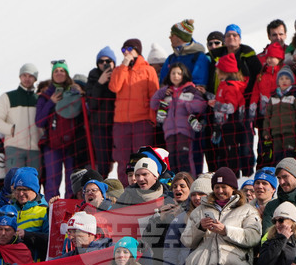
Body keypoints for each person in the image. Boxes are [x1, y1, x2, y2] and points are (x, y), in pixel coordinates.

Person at [109, 39, 160, 183]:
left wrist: (152, 120)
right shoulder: (120, 70)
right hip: (121, 122)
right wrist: (124, 65)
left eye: (129, 48)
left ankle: (144, 189)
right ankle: (125, 191)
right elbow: (114, 87)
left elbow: (154, 95)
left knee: (142, 158)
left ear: (138, 50)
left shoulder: (148, 70)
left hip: (142, 121)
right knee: (123, 158)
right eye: (123, 50)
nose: (126, 52)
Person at [36, 60, 86, 198]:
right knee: (52, 180)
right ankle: (52, 211)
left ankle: (71, 210)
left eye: (62, 70)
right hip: (52, 144)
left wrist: (80, 94)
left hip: (72, 143)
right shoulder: (46, 96)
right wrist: (51, 102)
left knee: (72, 180)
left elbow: (84, 112)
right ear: (52, 75)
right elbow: (39, 121)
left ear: (67, 74)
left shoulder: (74, 91)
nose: (59, 73)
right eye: (56, 71)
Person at [150, 62, 207, 175]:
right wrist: (161, 92)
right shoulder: (166, 92)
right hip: (169, 131)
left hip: (185, 130)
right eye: (173, 73)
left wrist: (185, 105)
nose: (176, 76)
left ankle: (189, 182)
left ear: (184, 75)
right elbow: (153, 104)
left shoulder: (191, 89)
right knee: (172, 158)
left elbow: (201, 105)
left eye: (179, 73)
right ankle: (174, 183)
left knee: (184, 156)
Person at [86, 48, 118, 177]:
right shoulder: (93, 77)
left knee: (123, 158)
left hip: (117, 123)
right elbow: (92, 104)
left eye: (108, 61)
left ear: (114, 63)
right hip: (100, 126)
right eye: (101, 61)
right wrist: (100, 83)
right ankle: (102, 190)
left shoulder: (119, 75)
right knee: (103, 163)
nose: (104, 64)